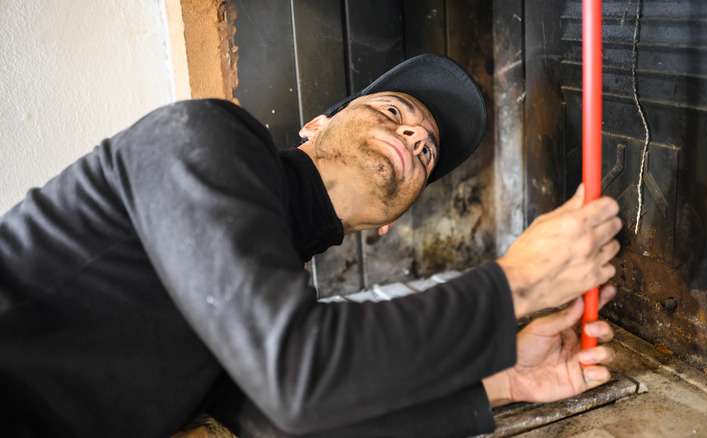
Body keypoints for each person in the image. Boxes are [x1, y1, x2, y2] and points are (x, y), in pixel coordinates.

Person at [0, 54, 621, 437]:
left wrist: (504, 379)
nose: (413, 134)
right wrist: (515, 285)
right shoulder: (205, 138)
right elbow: (297, 376)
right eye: (395, 109)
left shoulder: (262, 292)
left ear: (389, 223)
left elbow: (283, 422)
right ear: (317, 125)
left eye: (426, 152)